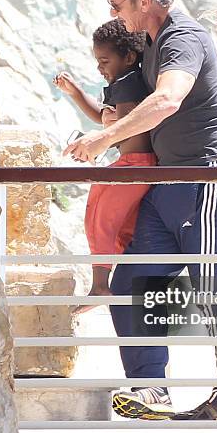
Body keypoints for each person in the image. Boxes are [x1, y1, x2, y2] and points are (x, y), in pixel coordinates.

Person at [64, 0, 217, 421]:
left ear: (144, 0)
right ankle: (151, 390)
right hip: (166, 186)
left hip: (202, 180)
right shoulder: (150, 39)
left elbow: (167, 99)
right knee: (130, 282)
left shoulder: (183, 37)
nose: (113, 12)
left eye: (116, 3)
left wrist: (103, 138)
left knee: (216, 288)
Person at [54, 19, 156, 305]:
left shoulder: (129, 84)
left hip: (137, 164)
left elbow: (123, 124)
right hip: (139, 164)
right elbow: (103, 115)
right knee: (119, 223)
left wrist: (101, 136)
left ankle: (101, 284)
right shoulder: (124, 83)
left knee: (98, 213)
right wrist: (75, 93)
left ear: (129, 57)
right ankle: (112, 277)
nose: (100, 68)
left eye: (104, 61)